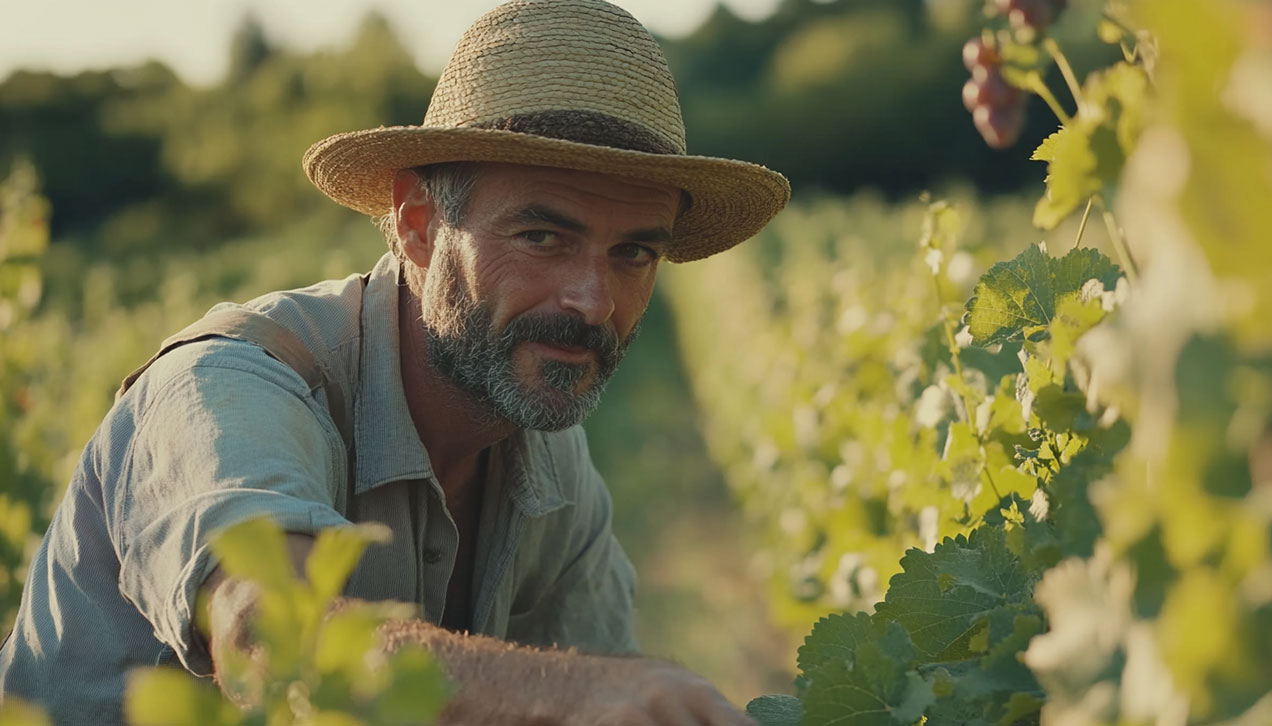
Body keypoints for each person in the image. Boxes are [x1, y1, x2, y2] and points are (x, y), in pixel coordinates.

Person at [0, 0, 790, 723]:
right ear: (416, 226)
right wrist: (577, 690)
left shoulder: (550, 462)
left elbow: (610, 678)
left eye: (633, 253)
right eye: (542, 236)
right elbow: (266, 631)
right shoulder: (230, 387)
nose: (591, 299)